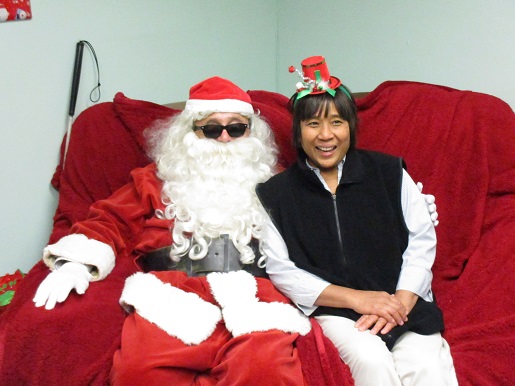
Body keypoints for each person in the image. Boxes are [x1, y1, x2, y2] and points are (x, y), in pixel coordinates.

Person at [33, 76, 312, 385]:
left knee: (264, 370)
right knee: (137, 373)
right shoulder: (153, 180)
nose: (224, 139)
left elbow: (315, 233)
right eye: (211, 129)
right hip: (173, 297)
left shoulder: (276, 184)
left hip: (255, 299)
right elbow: (109, 221)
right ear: (188, 133)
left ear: (251, 134)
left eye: (236, 129)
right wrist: (76, 264)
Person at [256, 56, 458, 386]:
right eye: (313, 124)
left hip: (402, 302)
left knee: (427, 367)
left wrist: (401, 303)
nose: (325, 135)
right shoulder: (275, 194)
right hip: (335, 311)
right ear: (298, 131)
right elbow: (282, 269)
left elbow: (421, 241)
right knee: (371, 361)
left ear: (351, 126)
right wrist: (357, 299)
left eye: (336, 122)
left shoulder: (390, 173)